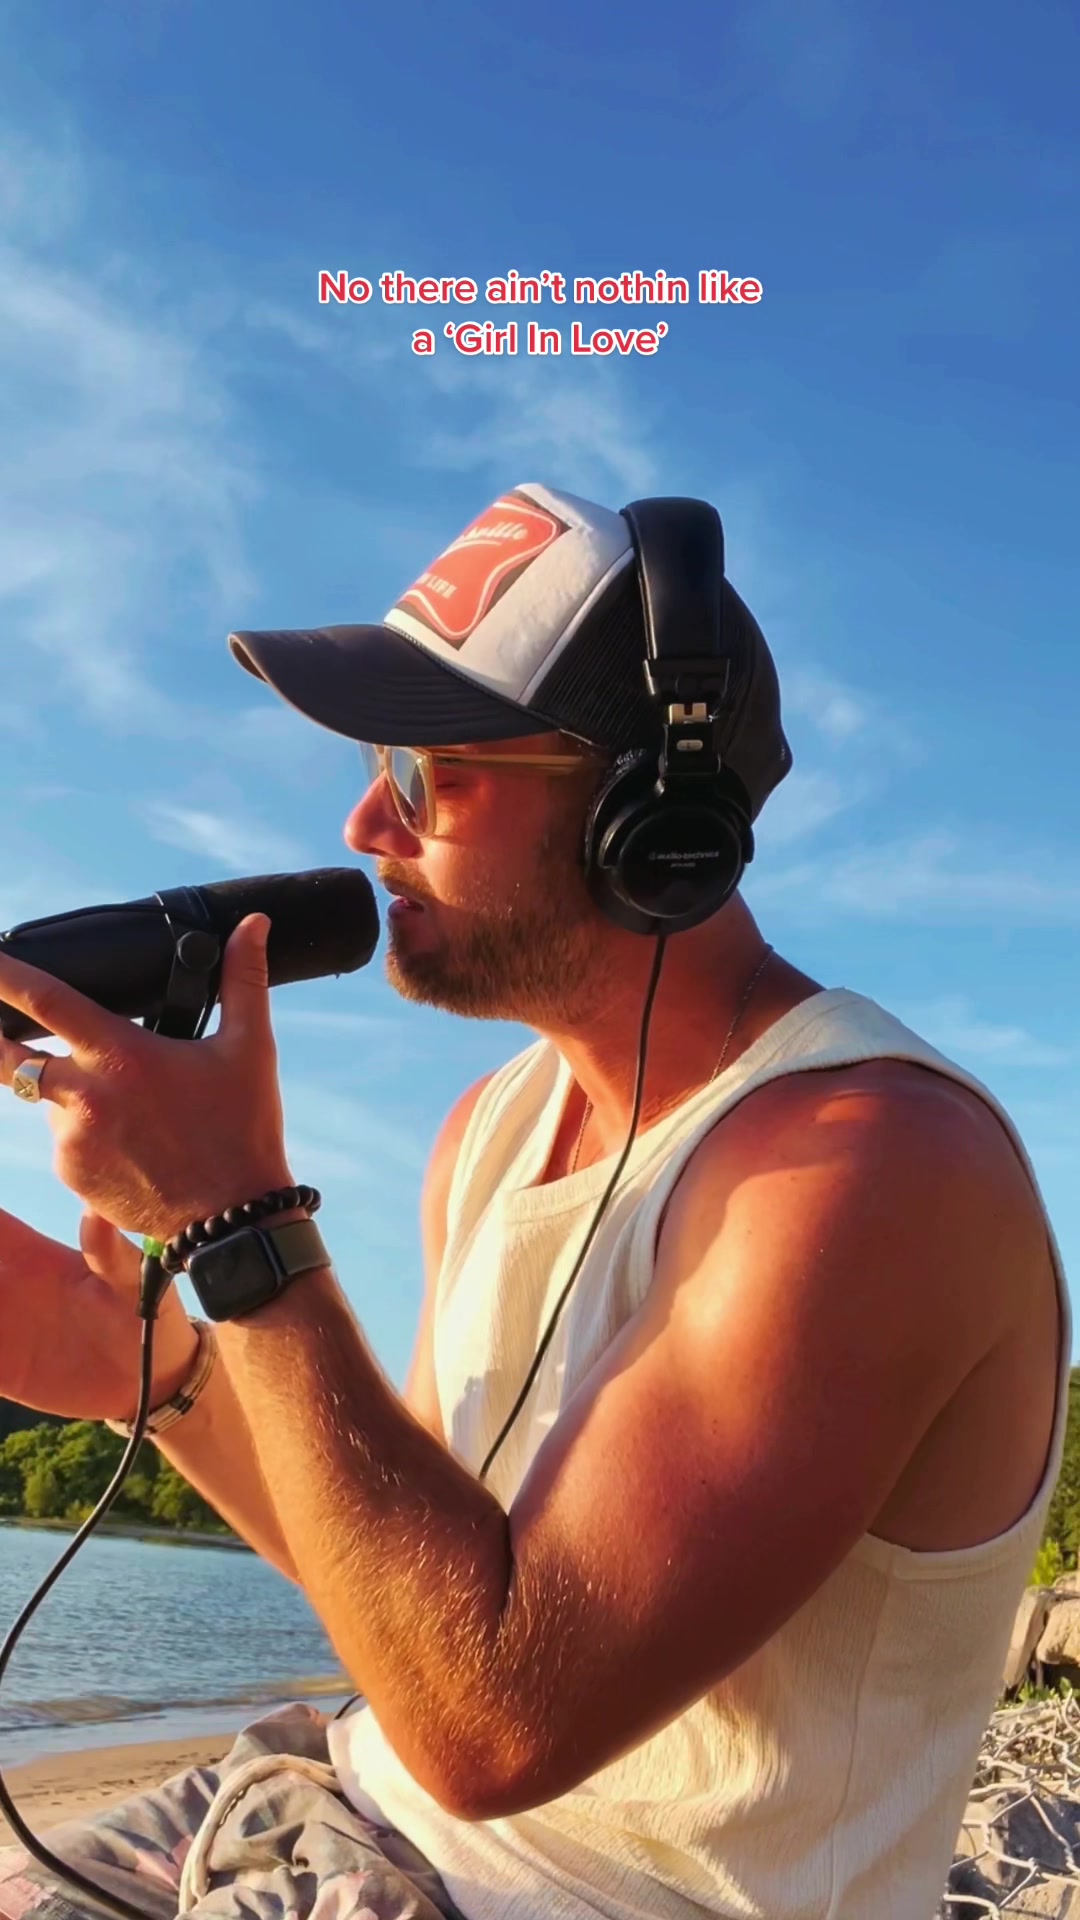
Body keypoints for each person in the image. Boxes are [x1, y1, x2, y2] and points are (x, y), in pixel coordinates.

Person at [0, 482, 1067, 1920]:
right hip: (353, 1800)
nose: (365, 821)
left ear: (651, 815)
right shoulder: (492, 1131)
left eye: (426, 773)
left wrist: (233, 1224)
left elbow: (492, 1729)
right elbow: (405, 1594)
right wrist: (164, 1383)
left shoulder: (869, 1170)